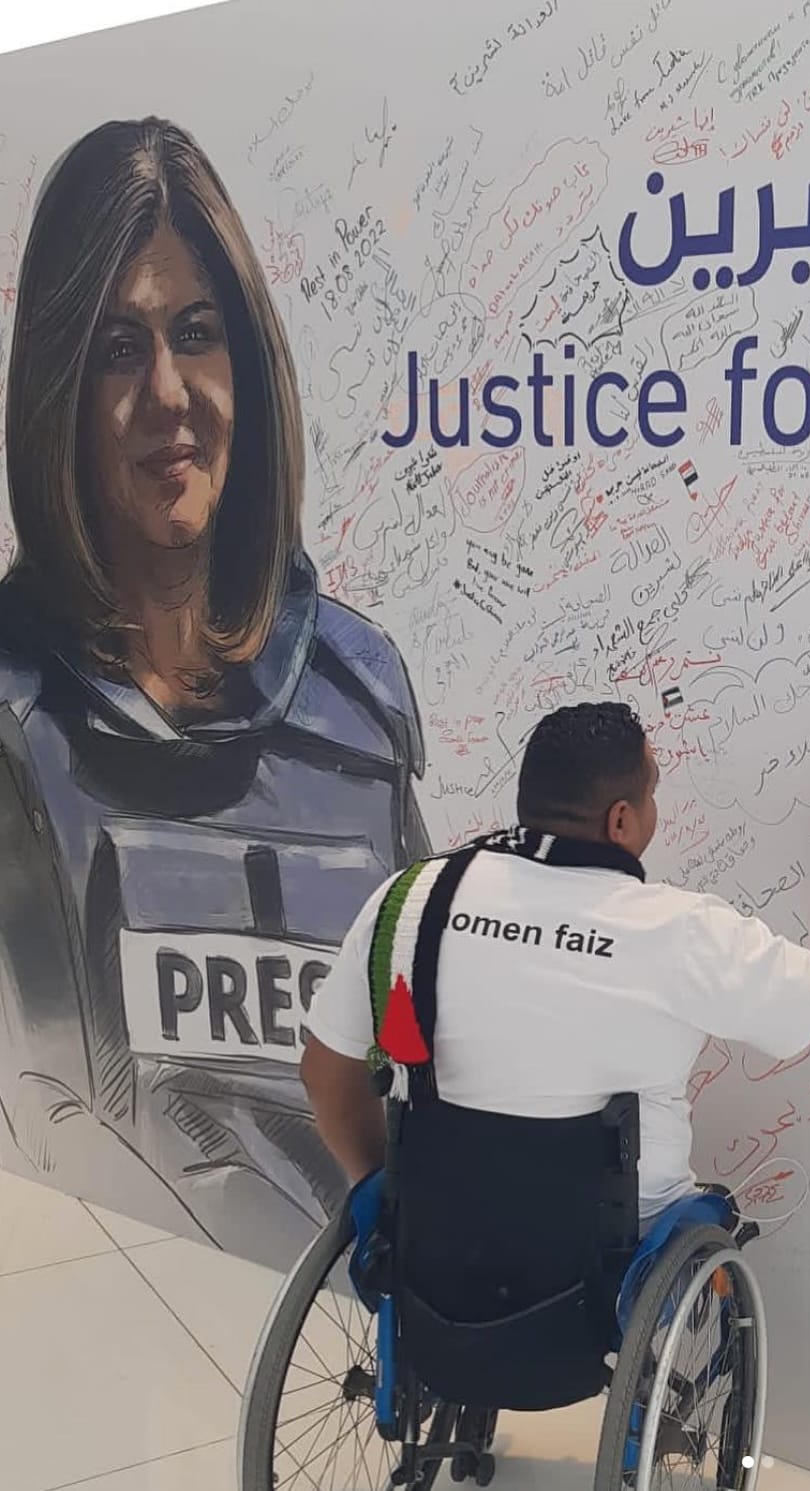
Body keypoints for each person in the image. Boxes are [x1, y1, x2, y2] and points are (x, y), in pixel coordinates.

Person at [0, 117, 425, 1265]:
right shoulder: (14, 719)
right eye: (118, 349)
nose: (170, 394)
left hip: (360, 1312)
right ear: (58, 389)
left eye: (198, 335)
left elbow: (415, 1024)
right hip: (128, 1303)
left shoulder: (362, 692)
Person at [301, 701, 810, 1224]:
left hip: (437, 1253)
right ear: (621, 819)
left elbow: (328, 1077)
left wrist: (387, 1195)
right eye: (652, 791)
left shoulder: (413, 898)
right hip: (604, 1272)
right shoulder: (682, 933)